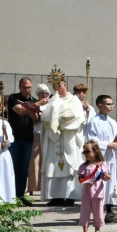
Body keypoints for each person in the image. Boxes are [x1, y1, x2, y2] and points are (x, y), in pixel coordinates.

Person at [39, 78, 89, 206]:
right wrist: (55, 111)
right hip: (54, 137)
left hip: (69, 136)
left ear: (64, 85)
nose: (56, 87)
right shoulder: (52, 100)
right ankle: (56, 197)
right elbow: (45, 116)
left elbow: (77, 116)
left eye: (59, 84)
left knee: (69, 166)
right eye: (54, 85)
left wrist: (58, 121)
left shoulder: (74, 100)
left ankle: (70, 196)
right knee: (53, 165)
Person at [85, 95, 117, 222]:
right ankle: (98, 213)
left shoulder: (112, 122)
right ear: (100, 105)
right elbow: (91, 140)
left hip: (113, 157)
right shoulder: (94, 121)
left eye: (112, 104)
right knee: (101, 184)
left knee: (112, 183)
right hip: (102, 157)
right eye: (108, 104)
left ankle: (111, 211)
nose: (111, 106)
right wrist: (107, 144)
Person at [7, 78, 38, 204]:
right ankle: (10, 195)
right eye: (24, 87)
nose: (27, 90)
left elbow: (36, 118)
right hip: (14, 138)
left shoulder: (34, 100)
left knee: (24, 169)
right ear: (20, 87)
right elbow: (20, 111)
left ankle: (20, 196)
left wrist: (32, 107)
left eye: (29, 87)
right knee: (13, 167)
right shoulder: (13, 98)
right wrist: (33, 107)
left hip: (28, 139)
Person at [78, 139, 110, 232]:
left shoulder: (101, 165)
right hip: (86, 193)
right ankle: (85, 231)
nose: (85, 154)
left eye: (87, 151)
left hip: (98, 193)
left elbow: (104, 177)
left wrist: (106, 177)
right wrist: (85, 181)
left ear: (96, 152)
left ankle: (97, 230)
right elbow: (80, 178)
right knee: (85, 213)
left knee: (98, 213)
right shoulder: (83, 166)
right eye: (84, 152)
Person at [28, 84, 50, 197]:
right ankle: (33, 186)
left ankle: (47, 187)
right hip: (37, 132)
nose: (45, 95)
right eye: (42, 93)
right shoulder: (35, 104)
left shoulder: (51, 105)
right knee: (35, 160)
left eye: (46, 93)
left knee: (47, 159)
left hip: (49, 134)